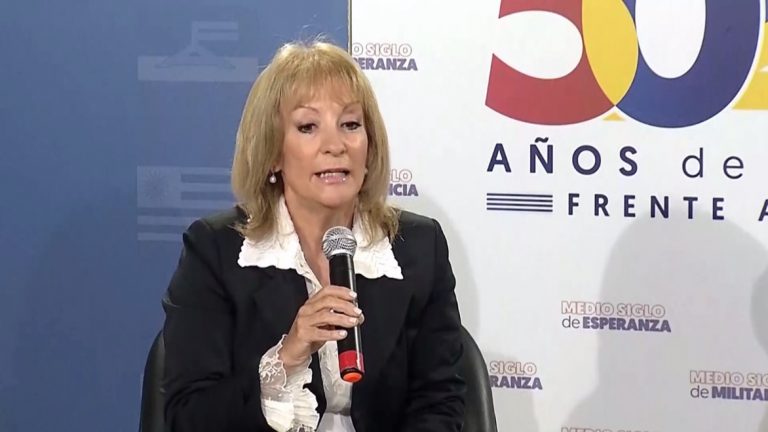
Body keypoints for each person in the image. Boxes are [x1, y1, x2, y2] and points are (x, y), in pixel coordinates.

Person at [161, 40, 466, 432]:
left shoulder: (419, 247)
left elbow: (440, 402)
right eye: (308, 127)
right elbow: (188, 417)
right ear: (273, 152)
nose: (335, 146)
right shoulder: (215, 252)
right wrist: (287, 357)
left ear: (369, 146)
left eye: (350, 124)